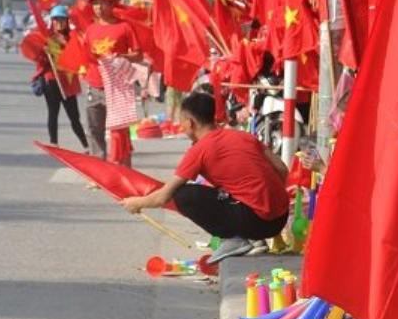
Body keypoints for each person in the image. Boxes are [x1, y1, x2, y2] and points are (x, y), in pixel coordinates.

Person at [122, 92, 289, 263]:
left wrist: (136, 203)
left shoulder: (200, 149)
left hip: (255, 222)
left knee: (183, 195)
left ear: (190, 122)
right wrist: (269, 202)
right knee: (225, 192)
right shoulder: (244, 136)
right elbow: (282, 169)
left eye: (182, 122)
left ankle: (232, 239)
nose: (182, 126)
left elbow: (164, 196)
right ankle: (249, 234)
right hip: (280, 219)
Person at [82, 0, 141, 165]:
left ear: (111, 4)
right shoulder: (90, 29)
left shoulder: (124, 27)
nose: (98, 8)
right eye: (95, 4)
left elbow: (138, 54)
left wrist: (121, 57)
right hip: (95, 84)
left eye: (102, 4)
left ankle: (124, 170)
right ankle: (99, 172)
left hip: (117, 88)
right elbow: (85, 54)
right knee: (94, 130)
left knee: (120, 131)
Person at [34, 5, 89, 150]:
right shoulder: (46, 38)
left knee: (74, 116)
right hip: (51, 80)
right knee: (53, 112)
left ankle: (86, 146)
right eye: (56, 20)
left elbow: (80, 54)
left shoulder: (73, 37)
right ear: (52, 21)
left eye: (62, 20)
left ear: (67, 21)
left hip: (68, 81)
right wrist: (44, 52)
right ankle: (54, 143)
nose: (59, 23)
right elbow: (38, 59)